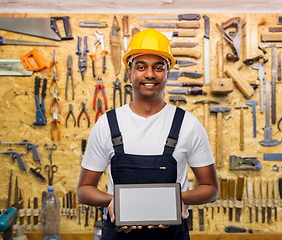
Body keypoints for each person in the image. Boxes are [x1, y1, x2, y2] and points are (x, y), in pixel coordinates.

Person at [76, 28, 218, 240]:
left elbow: (210, 189)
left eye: (158, 67)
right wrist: (112, 201)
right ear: (129, 73)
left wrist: (176, 199)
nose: (150, 74)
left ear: (167, 73)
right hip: (118, 233)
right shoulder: (107, 124)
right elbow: (84, 189)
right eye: (141, 67)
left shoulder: (188, 125)